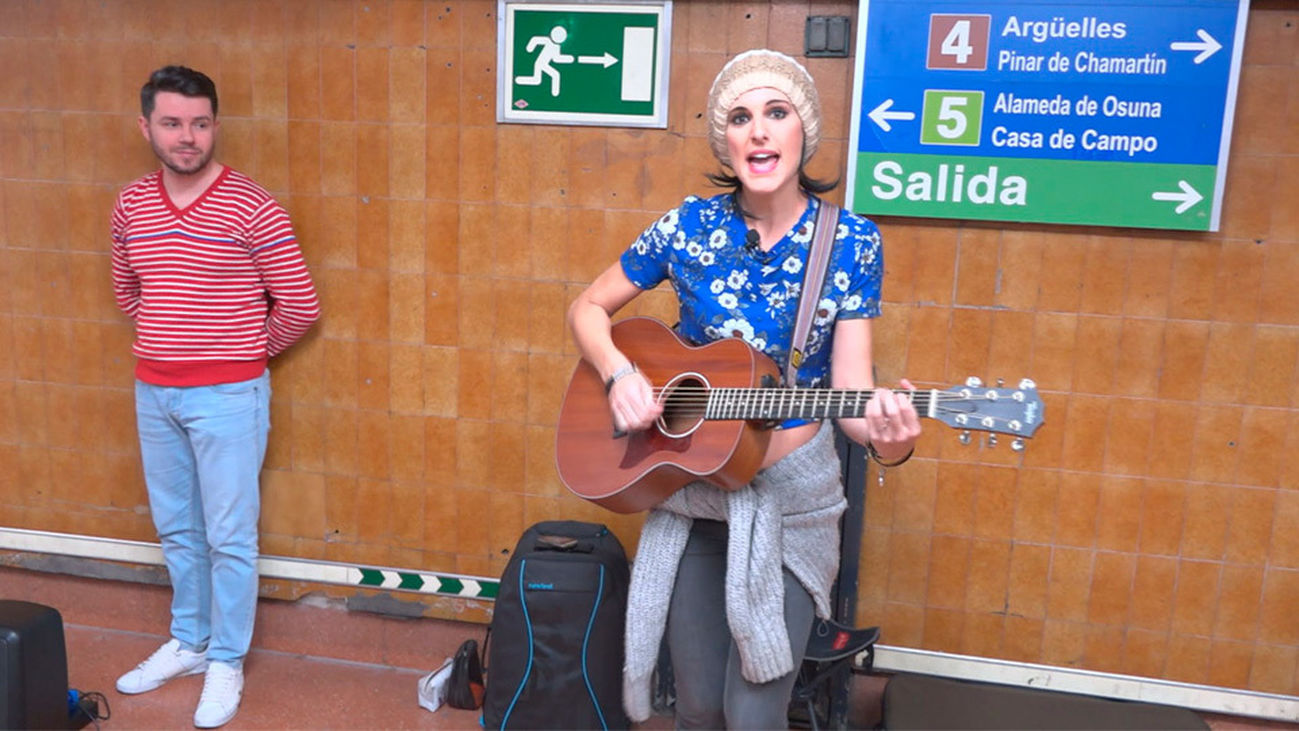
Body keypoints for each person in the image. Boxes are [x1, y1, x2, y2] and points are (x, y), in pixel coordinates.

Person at [567, 49, 921, 728]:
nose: (758, 129)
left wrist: (886, 435)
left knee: (752, 710)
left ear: (801, 132)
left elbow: (850, 392)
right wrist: (620, 375)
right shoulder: (686, 228)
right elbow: (587, 308)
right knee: (697, 705)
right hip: (695, 492)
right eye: (740, 116)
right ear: (726, 142)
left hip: (791, 509)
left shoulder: (849, 242)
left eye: (775, 112)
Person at [110, 65, 320, 729]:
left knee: (229, 536)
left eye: (200, 123)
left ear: (215, 125)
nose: (187, 136)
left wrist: (241, 353)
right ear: (146, 126)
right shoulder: (130, 205)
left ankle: (226, 658)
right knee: (177, 527)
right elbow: (130, 291)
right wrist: (171, 336)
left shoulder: (251, 206)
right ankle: (190, 642)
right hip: (155, 392)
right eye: (172, 123)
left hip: (229, 395)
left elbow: (299, 305)